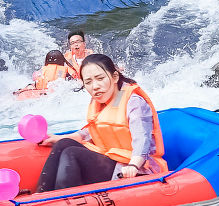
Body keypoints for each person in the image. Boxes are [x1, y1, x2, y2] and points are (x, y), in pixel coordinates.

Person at [38, 53, 163, 191]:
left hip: (137, 168)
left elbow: (142, 141)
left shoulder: (134, 103)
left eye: (100, 78)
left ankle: (63, 203)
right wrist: (58, 138)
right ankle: (41, 195)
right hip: (111, 157)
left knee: (72, 153)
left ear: (115, 77)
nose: (95, 86)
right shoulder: (105, 99)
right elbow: (90, 131)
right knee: (63, 144)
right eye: (88, 82)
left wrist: (133, 165)